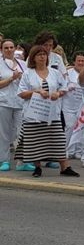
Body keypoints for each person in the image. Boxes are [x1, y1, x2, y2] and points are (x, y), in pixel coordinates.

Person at [15, 46, 79, 178]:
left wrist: (58, 93)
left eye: (44, 54)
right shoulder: (28, 73)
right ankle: (37, 167)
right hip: (34, 113)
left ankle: (64, 167)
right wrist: (36, 92)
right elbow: (21, 93)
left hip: (52, 113)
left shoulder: (54, 73)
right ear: (33, 58)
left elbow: (64, 88)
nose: (42, 57)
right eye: (39, 54)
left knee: (58, 139)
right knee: (35, 141)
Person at [0, 39, 29, 172]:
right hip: (4, 102)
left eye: (11, 47)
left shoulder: (23, 64)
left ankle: (22, 161)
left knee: (22, 131)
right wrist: (11, 78)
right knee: (4, 133)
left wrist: (21, 77)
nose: (9, 50)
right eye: (6, 48)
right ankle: (4, 160)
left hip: (20, 102)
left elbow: (28, 82)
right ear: (1, 50)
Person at [62, 52, 84, 159]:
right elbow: (62, 85)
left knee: (81, 127)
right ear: (74, 62)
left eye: (83, 61)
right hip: (69, 105)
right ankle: (66, 149)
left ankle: (78, 150)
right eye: (79, 61)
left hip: (82, 104)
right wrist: (68, 87)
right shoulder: (68, 73)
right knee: (70, 126)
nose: (81, 63)